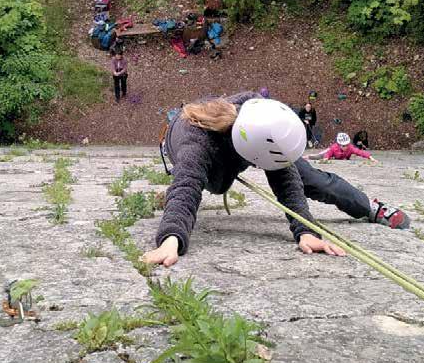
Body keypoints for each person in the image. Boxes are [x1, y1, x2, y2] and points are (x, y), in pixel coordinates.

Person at [141, 92, 409, 267]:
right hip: (192, 150)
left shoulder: (261, 114)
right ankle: (172, 199)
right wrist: (171, 240)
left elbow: (287, 183)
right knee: (200, 181)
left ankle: (369, 206)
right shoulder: (196, 146)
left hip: (242, 140)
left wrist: (305, 230)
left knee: (310, 177)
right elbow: (186, 188)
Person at [308, 132, 376, 163]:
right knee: (318, 156)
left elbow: (360, 152)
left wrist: (370, 157)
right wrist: (326, 158)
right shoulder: (334, 147)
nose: (345, 147)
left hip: (338, 157)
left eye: (347, 144)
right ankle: (306, 157)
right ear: (339, 144)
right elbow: (328, 153)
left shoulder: (350, 147)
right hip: (331, 153)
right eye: (343, 145)